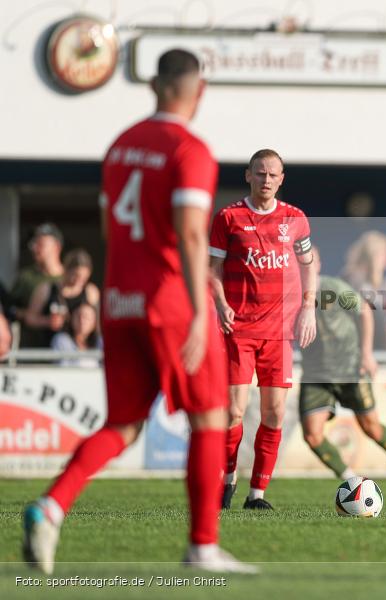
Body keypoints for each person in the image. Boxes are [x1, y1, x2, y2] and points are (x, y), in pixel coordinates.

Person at [22, 49, 256, 573]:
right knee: (210, 418)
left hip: (119, 300)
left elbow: (110, 230)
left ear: (154, 86)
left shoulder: (120, 146)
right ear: (199, 91)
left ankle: (50, 506)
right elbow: (192, 232)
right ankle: (203, 547)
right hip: (170, 302)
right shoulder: (188, 148)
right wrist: (200, 311)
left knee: (124, 424)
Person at [210, 148, 317, 511]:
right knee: (233, 413)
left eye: (273, 174)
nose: (266, 180)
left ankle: (257, 494)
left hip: (280, 334)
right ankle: (227, 479)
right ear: (248, 175)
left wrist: (308, 308)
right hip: (238, 330)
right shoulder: (228, 217)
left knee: (273, 414)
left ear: (282, 179)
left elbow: (308, 264)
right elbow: (212, 270)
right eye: (260, 173)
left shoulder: (295, 218)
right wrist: (221, 303)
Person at [300, 247, 386, 497]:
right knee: (312, 435)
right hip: (316, 374)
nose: (304, 267)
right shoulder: (287, 294)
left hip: (349, 368)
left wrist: (366, 354)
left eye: (309, 262)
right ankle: (352, 480)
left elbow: (364, 310)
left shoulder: (332, 287)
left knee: (371, 427)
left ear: (317, 265)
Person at [23, 249, 100, 347]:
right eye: (75, 276)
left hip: (80, 349)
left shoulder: (90, 292)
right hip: (50, 345)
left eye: (83, 278)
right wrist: (47, 321)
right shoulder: (46, 289)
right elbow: (29, 318)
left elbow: (97, 323)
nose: (78, 281)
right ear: (66, 270)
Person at [9, 223, 65, 346]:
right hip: (31, 352)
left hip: (65, 354)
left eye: (40, 244)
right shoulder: (26, 278)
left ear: (56, 247)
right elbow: (9, 309)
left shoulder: (70, 278)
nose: (34, 248)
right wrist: (32, 316)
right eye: (33, 244)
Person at [343, 231, 386, 349]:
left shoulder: (381, 282)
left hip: (377, 347)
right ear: (374, 254)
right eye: (384, 254)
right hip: (359, 347)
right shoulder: (355, 278)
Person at [51, 303, 102, 368]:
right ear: (71, 319)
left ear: (94, 322)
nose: (82, 320)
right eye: (78, 316)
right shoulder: (61, 340)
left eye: (86, 317)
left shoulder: (100, 341)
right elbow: (63, 369)